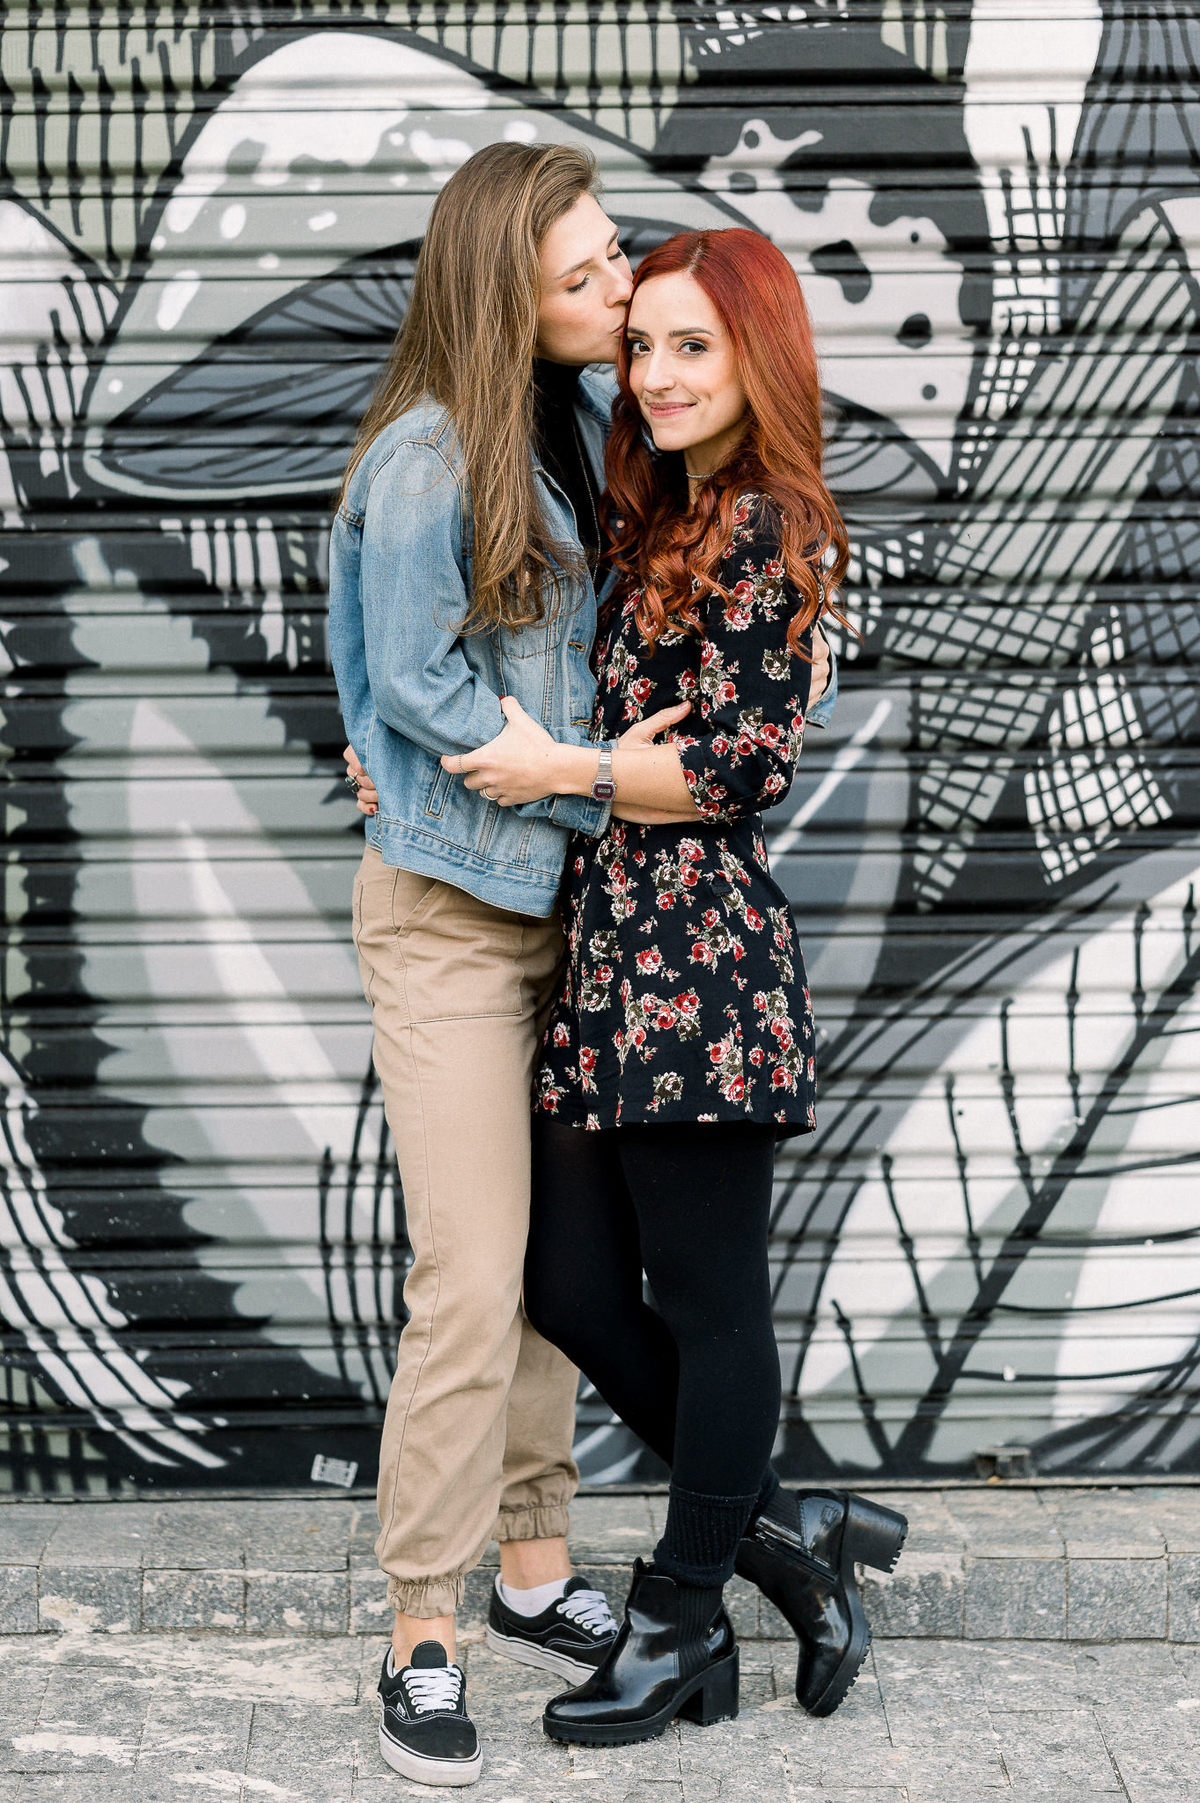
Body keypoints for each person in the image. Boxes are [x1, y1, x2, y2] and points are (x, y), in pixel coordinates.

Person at [330, 141, 839, 1786]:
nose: (625, 296)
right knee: (480, 1277)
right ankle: (424, 1631)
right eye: (591, 276)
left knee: (571, 1281)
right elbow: (397, 662)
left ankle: (542, 1569)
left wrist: (610, 770)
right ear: (508, 296)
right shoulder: (434, 452)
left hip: (594, 915)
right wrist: (502, 764)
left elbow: (748, 678)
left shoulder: (608, 423)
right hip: (465, 909)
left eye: (618, 256)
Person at [443, 226, 906, 1749]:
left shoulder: (774, 520)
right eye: (641, 343)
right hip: (613, 952)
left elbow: (736, 766)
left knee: (710, 1305)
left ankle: (683, 1617)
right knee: (571, 1284)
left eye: (692, 345)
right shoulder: (666, 514)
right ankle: (784, 1531)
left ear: (759, 355)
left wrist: (566, 770)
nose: (652, 372)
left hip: (700, 962)